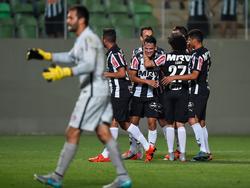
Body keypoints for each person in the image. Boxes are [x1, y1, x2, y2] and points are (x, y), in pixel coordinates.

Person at [26, 5, 132, 188]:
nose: (67, 20)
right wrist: (46, 55)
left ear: (81, 20)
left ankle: (57, 177)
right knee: (103, 132)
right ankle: (123, 177)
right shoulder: (83, 39)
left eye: (71, 17)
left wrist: (64, 72)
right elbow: (71, 56)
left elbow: (89, 64)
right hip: (99, 91)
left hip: (92, 92)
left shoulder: (89, 38)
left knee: (72, 132)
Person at [163, 29, 212, 161]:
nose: (188, 42)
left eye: (189, 39)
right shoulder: (206, 51)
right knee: (201, 121)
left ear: (195, 40)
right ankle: (207, 151)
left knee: (192, 119)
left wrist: (174, 77)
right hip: (204, 88)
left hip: (197, 89)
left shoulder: (196, 55)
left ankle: (203, 151)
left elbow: (194, 75)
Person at [88, 28, 131, 162]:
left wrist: (106, 74)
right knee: (123, 123)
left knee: (113, 122)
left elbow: (122, 73)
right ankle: (140, 147)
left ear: (105, 39)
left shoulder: (114, 54)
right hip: (118, 91)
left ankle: (106, 154)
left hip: (120, 92)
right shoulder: (115, 52)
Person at [122, 26, 165, 160]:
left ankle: (149, 151)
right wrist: (147, 81)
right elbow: (132, 76)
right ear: (142, 39)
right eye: (145, 36)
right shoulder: (136, 56)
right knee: (133, 123)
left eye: (150, 36)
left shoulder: (161, 55)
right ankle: (134, 150)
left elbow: (163, 71)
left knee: (152, 123)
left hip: (153, 95)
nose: (147, 39)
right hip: (137, 94)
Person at [160, 33, 191, 162]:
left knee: (169, 124)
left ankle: (171, 153)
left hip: (169, 92)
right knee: (181, 124)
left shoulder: (165, 56)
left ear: (172, 45)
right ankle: (183, 154)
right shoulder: (190, 57)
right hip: (183, 92)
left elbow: (151, 64)